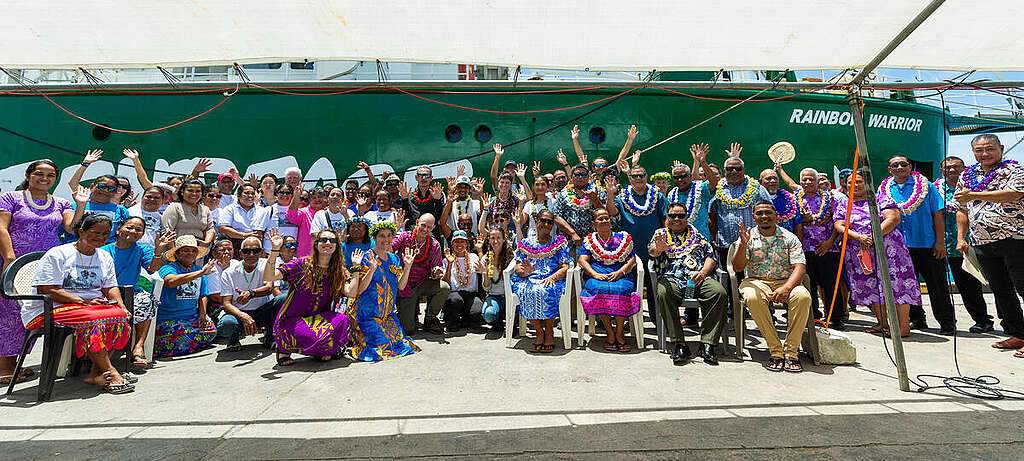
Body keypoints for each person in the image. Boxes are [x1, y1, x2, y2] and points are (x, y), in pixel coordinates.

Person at [25, 213, 134, 394]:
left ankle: (95, 372)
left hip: (90, 308)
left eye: (105, 234)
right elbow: (47, 290)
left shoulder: (104, 256)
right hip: (51, 308)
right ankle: (110, 371)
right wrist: (84, 302)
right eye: (95, 232)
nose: (100, 237)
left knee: (121, 316)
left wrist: (122, 306)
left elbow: (110, 286)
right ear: (82, 231)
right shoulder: (59, 254)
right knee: (94, 319)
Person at [0, 161, 86, 385]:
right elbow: (1, 227)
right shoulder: (11, 198)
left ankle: (15, 362)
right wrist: (10, 260)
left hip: (45, 265)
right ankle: (4, 367)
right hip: (14, 262)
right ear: (29, 175)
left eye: (50, 175)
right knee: (9, 312)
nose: (44, 178)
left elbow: (72, 228)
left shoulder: (61, 202)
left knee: (34, 308)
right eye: (39, 173)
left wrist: (80, 205)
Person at [954, 134, 1024, 355]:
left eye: (990, 149)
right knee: (1001, 291)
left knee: (1023, 288)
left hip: (1015, 239)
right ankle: (1019, 334)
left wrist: (973, 194)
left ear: (1001, 148)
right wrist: (961, 237)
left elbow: (1015, 193)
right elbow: (961, 208)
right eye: (979, 150)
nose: (984, 154)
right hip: (983, 242)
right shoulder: (967, 174)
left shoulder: (1015, 170)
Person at [835, 171, 918, 338]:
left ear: (867, 183)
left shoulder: (881, 199)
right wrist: (858, 237)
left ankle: (902, 326)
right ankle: (882, 323)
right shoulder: (845, 204)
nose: (855, 185)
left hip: (888, 251)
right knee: (870, 286)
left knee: (897, 286)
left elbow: (893, 218)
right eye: (851, 183)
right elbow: (839, 224)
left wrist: (873, 237)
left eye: (859, 181)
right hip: (860, 251)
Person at [732, 200, 812, 373]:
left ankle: (791, 352)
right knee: (752, 297)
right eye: (759, 213)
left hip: (785, 281)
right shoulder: (748, 236)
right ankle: (776, 350)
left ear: (776, 215)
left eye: (768, 212)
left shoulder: (789, 237)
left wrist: (787, 287)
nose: (764, 217)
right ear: (753, 217)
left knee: (803, 297)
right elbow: (738, 267)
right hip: (756, 281)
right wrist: (743, 244)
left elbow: (800, 267)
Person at [879, 155, 953, 334]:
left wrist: (940, 242)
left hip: (926, 243)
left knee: (937, 285)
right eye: (894, 165)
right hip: (899, 246)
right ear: (890, 169)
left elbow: (938, 215)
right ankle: (917, 319)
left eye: (903, 164)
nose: (899, 167)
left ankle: (947, 322)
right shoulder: (884, 189)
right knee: (905, 285)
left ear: (910, 166)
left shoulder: (927, 187)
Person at [649, 203, 728, 365]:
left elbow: (711, 256)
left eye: (680, 216)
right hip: (671, 278)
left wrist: (704, 273)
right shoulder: (660, 234)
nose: (676, 219)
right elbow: (651, 251)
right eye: (672, 216)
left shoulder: (697, 235)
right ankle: (679, 343)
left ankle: (708, 343)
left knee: (718, 292)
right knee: (664, 293)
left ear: (687, 217)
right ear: (667, 218)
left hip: (699, 277)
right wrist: (658, 249)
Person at [264, 228, 350, 365]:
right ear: (316, 244)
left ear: (337, 246)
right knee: (317, 339)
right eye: (323, 240)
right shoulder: (300, 264)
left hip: (318, 321)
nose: (327, 243)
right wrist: (274, 250)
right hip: (293, 321)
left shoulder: (338, 270)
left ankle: (320, 349)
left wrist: (358, 269)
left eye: (332, 240)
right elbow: (269, 276)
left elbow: (350, 292)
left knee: (341, 319)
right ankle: (283, 350)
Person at [100, 218, 175, 368]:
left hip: (131, 292)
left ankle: (138, 347)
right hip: (106, 293)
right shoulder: (104, 251)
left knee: (147, 300)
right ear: (119, 229)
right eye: (130, 227)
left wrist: (158, 251)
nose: (133, 232)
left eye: (138, 230)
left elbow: (152, 269)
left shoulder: (142, 250)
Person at [777, 165, 845, 328]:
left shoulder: (831, 198)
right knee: (809, 284)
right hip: (804, 249)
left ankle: (836, 318)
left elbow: (838, 222)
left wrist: (830, 242)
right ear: (801, 182)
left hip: (829, 248)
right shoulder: (795, 197)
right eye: (804, 180)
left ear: (817, 181)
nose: (807, 182)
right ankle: (813, 316)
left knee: (831, 284)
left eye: (811, 179)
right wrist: (779, 170)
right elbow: (790, 184)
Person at [346, 222, 420, 362]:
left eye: (389, 236)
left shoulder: (394, 259)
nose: (386, 239)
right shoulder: (366, 258)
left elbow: (401, 287)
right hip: (367, 315)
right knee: (381, 346)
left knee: (401, 344)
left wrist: (408, 267)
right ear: (374, 237)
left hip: (387, 315)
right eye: (381, 236)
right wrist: (371, 270)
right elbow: (359, 290)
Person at [937, 157, 992, 333]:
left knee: (981, 285)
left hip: (975, 243)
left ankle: (992, 321)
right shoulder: (934, 189)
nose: (952, 171)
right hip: (946, 245)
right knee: (958, 286)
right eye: (947, 168)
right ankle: (955, 321)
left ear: (964, 168)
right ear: (941, 171)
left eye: (956, 167)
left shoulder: (976, 186)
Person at [510, 209, 572, 353]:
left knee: (545, 290)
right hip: (528, 279)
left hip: (552, 279)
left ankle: (549, 331)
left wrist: (553, 277)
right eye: (543, 220)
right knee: (527, 291)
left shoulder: (559, 242)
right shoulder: (525, 243)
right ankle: (539, 332)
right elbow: (518, 266)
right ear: (536, 221)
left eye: (550, 222)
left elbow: (565, 267)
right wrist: (525, 272)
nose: (546, 224)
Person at [578, 209, 640, 352]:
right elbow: (582, 260)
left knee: (622, 290)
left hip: (621, 274)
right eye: (600, 219)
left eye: (606, 218)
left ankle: (619, 332)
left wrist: (620, 272)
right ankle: (609, 332)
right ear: (594, 224)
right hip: (598, 275)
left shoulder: (623, 238)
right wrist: (594, 274)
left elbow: (632, 259)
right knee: (599, 289)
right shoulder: (590, 240)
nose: (604, 221)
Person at [155, 235, 218, 357]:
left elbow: (203, 295)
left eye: (194, 250)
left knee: (211, 331)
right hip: (169, 318)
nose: (190, 253)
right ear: (177, 254)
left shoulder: (199, 269)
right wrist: (200, 273)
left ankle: (182, 345)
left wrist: (202, 315)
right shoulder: (168, 268)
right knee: (181, 333)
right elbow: (170, 282)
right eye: (186, 250)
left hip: (190, 317)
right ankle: (185, 344)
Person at [217, 236, 280, 351]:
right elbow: (226, 304)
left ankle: (270, 337)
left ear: (261, 252)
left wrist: (251, 294)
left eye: (256, 251)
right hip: (239, 314)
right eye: (247, 251)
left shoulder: (266, 264)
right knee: (227, 323)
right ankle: (233, 340)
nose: (251, 255)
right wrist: (244, 316)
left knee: (282, 299)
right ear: (240, 253)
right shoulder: (229, 272)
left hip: (261, 312)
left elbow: (269, 287)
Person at [708, 152, 771, 267]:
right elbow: (712, 216)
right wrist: (713, 238)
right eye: (730, 169)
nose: (734, 172)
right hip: (726, 245)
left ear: (744, 170)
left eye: (738, 168)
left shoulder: (758, 189)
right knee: (730, 280)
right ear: (724, 171)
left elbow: (770, 214)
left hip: (754, 244)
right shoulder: (717, 190)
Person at [393, 214, 450, 335]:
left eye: (429, 227)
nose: (425, 229)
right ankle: (409, 312)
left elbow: (435, 270)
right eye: (423, 225)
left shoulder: (435, 245)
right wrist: (396, 229)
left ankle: (430, 319)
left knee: (444, 287)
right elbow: (389, 248)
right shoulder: (404, 237)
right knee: (408, 330)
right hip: (404, 285)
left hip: (422, 283)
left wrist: (437, 272)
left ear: (433, 228)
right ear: (417, 222)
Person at [666, 143, 717, 242]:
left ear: (689, 176)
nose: (680, 179)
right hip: (678, 242)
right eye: (676, 177)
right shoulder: (671, 194)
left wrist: (703, 162)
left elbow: (714, 182)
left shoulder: (701, 188)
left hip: (700, 241)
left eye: (683, 176)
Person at [551, 164, 605, 248]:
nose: (580, 177)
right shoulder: (563, 193)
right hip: (571, 241)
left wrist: (594, 199)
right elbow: (556, 216)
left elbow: (606, 215)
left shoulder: (597, 191)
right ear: (571, 177)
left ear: (588, 176)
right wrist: (573, 233)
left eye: (583, 174)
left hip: (595, 241)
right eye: (577, 175)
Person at [69, 174, 132, 243]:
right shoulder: (74, 206)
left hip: (105, 251)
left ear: (114, 192)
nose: (105, 190)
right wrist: (81, 205)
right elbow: (71, 230)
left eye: (111, 189)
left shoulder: (122, 211)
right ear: (92, 186)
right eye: (102, 186)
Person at [441, 231, 483, 332]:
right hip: (455, 294)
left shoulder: (473, 257)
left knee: (477, 312)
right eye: (456, 242)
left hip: (471, 294)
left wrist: (480, 250)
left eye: (462, 242)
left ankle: (465, 317)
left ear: (467, 244)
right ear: (452, 244)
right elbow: (445, 282)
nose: (459, 244)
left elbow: (483, 267)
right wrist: (450, 264)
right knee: (454, 301)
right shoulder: (447, 260)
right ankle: (453, 321)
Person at [161, 179, 215, 249]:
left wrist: (206, 243)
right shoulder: (174, 207)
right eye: (190, 190)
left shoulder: (205, 209)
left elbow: (210, 229)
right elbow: (167, 231)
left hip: (198, 252)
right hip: (178, 251)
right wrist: (173, 253)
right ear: (182, 192)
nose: (194, 194)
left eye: (198, 191)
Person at [218, 183, 263, 257]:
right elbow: (222, 228)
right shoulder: (230, 209)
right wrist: (244, 235)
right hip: (235, 245)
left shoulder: (262, 211)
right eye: (247, 193)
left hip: (256, 246)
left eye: (252, 193)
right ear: (238, 195)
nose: (250, 196)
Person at [481, 227, 513, 330]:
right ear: (489, 240)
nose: (495, 241)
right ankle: (497, 319)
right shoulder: (485, 259)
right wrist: (485, 274)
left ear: (504, 239)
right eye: (492, 238)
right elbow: (486, 288)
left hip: (509, 296)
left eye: (498, 238)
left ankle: (511, 321)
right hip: (494, 296)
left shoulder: (511, 257)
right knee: (488, 314)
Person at [286, 184, 327, 257]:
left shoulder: (330, 212)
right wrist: (296, 196)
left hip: (326, 255)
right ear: (309, 200)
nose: (317, 200)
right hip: (305, 256)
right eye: (314, 198)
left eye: (320, 197)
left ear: (325, 199)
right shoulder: (304, 212)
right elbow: (291, 216)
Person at [402, 166, 445, 235]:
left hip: (432, 235)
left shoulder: (438, 195)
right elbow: (406, 218)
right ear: (416, 177)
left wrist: (437, 200)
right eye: (420, 175)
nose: (423, 178)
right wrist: (404, 200)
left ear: (431, 178)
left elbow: (439, 217)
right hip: (414, 235)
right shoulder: (410, 197)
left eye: (427, 175)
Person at [255, 184, 297, 254]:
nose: (284, 195)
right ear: (277, 194)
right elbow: (259, 232)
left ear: (292, 195)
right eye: (281, 192)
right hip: (270, 252)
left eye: (288, 193)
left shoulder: (297, 211)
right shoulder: (269, 210)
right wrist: (261, 251)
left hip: (290, 254)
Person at [759, 169, 802, 237]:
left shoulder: (791, 200)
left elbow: (798, 225)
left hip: (787, 243)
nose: (772, 181)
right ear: (760, 182)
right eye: (768, 179)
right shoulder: (755, 200)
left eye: (775, 178)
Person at [517, 175, 556, 240]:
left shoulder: (554, 202)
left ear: (547, 186)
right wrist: (520, 203)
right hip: (533, 241)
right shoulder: (529, 204)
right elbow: (521, 222)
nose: (540, 187)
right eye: (537, 185)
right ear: (533, 187)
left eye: (543, 184)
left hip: (550, 241)